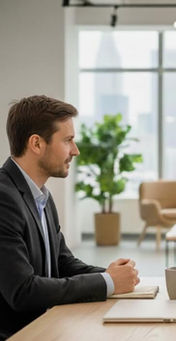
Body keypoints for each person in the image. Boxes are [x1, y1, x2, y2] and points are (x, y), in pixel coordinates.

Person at [0, 95, 139, 339]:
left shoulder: (41, 196)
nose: (75, 151)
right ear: (36, 143)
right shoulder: (4, 198)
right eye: (68, 140)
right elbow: (23, 291)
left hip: (48, 326)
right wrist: (107, 281)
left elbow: (63, 263)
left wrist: (112, 275)